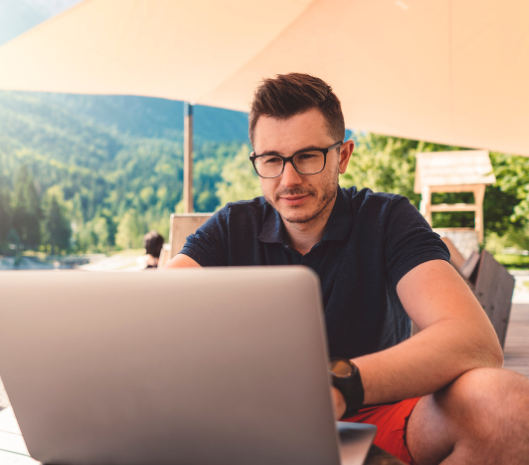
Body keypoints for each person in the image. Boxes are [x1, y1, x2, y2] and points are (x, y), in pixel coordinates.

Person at [163, 73, 529, 464]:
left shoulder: (387, 218)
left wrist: (337, 385)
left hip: (378, 413)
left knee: (507, 408)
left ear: (343, 155)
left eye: (307, 156)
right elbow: (154, 313)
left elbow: (474, 341)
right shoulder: (232, 226)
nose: (289, 179)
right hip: (251, 420)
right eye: (271, 160)